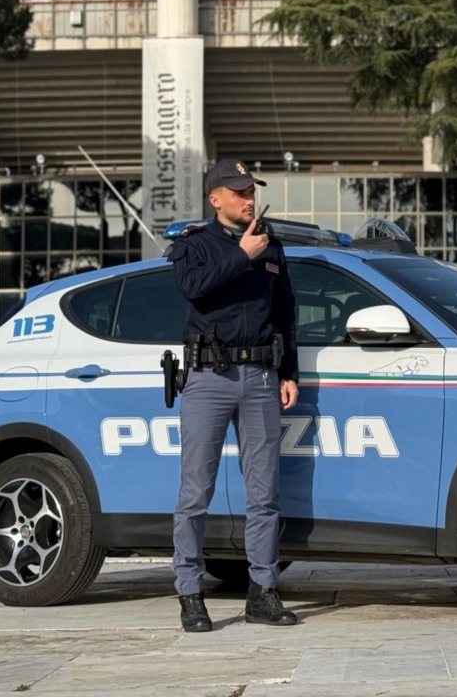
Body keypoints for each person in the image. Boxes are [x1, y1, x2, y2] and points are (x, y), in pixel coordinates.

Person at [167, 158, 299, 631]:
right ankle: (189, 593)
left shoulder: (271, 246)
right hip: (208, 378)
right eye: (239, 192)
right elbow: (193, 288)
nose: (249, 199)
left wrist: (289, 371)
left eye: (252, 191)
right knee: (195, 492)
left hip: (261, 377)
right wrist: (242, 255)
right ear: (215, 198)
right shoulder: (193, 245)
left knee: (264, 494)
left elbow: (285, 313)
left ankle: (262, 592)